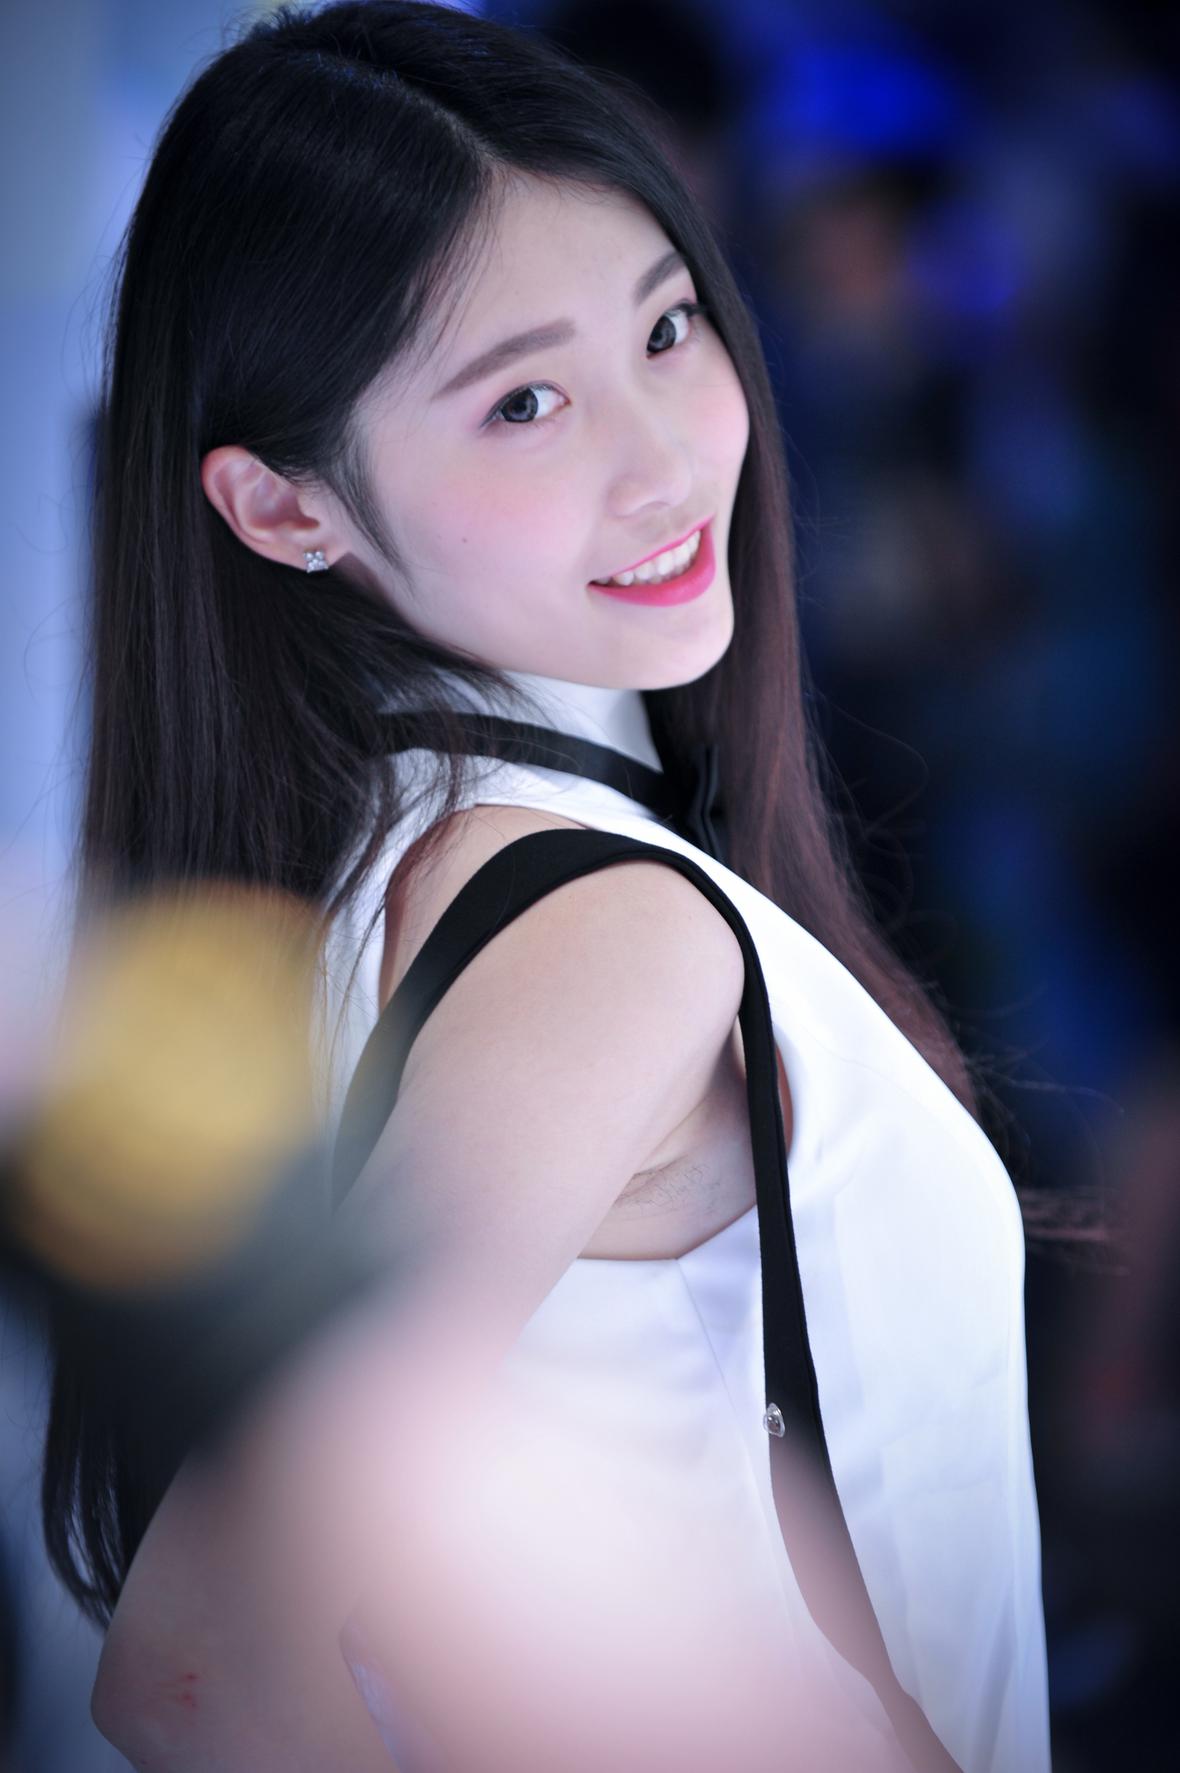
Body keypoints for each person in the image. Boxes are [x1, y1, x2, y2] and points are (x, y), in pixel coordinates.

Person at [44, 3, 1050, 1768]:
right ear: (285, 510)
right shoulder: (601, 933)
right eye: (523, 399)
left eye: (666, 327)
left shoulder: (372, 856)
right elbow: (204, 1668)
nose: (664, 459)